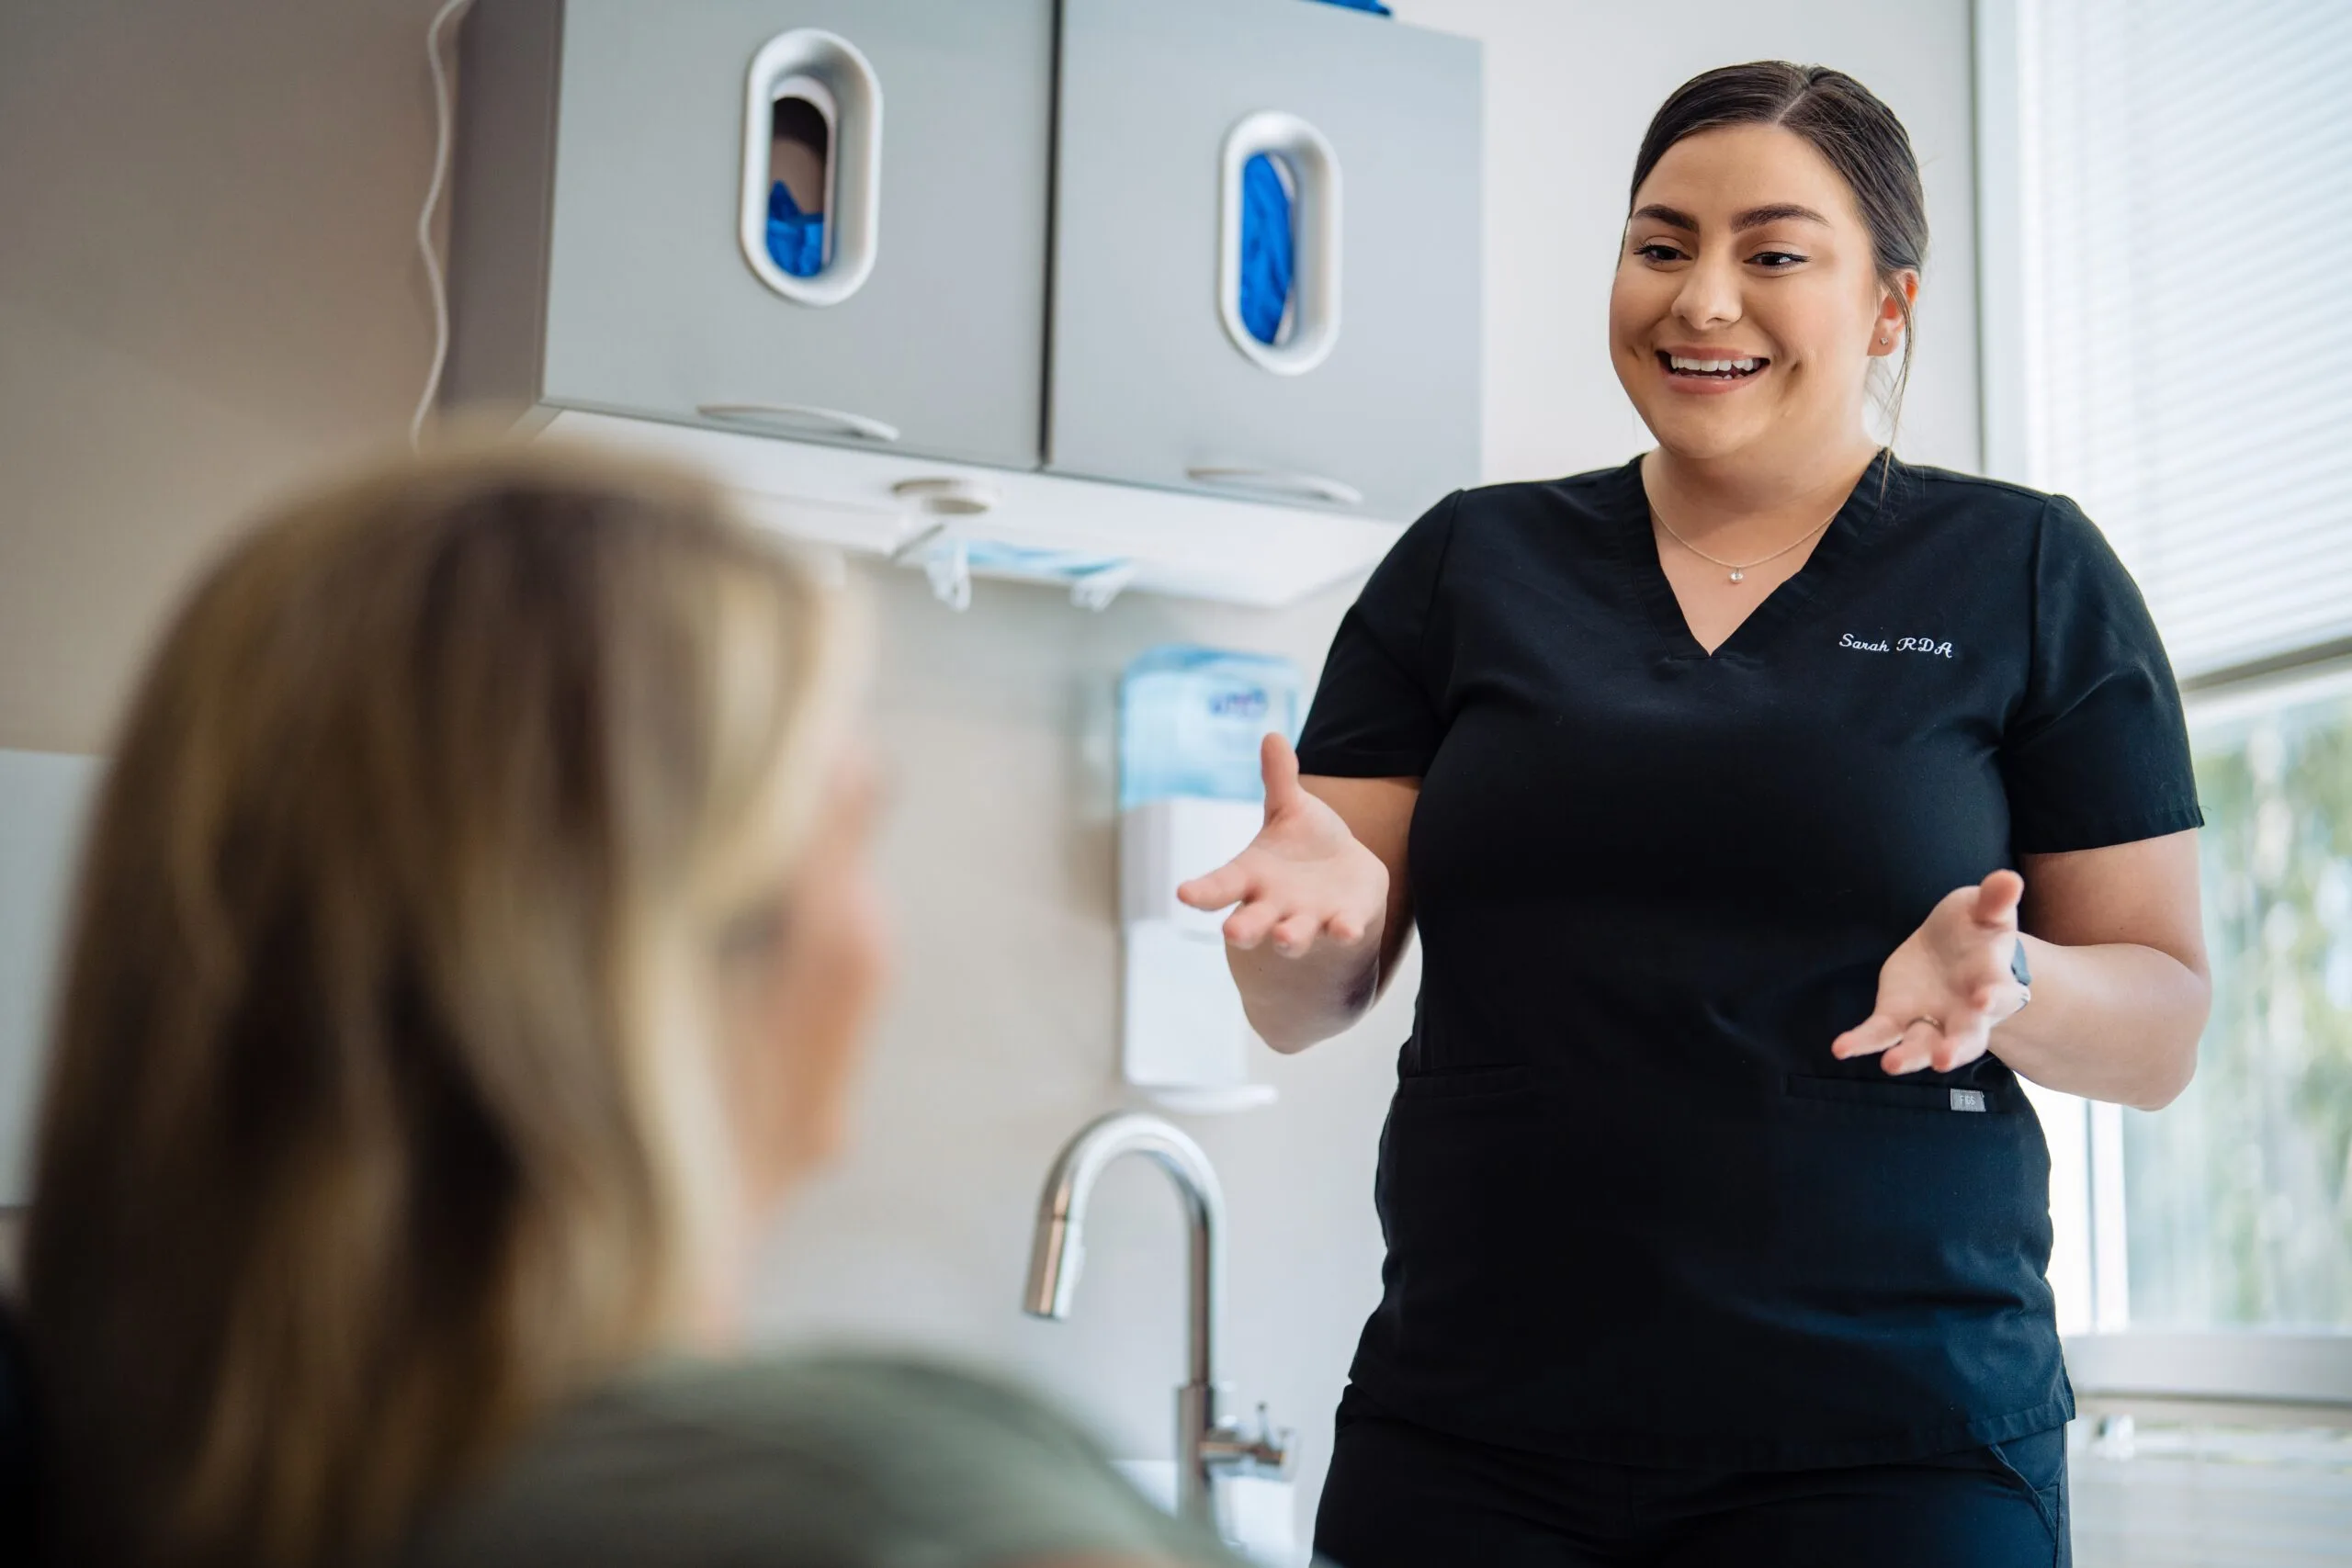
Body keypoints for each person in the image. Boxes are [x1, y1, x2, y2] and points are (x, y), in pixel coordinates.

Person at [1179, 61, 2210, 1568]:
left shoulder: (2029, 575)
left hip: (1891, 1446)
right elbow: (1303, 1003)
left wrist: (2017, 983)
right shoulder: (1470, 566)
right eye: (1660, 247)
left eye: (1773, 255)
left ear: (1889, 306)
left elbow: (2167, 1022)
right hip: (1474, 1439)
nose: (1701, 301)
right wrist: (1297, 922)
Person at [16, 445, 1245, 1568]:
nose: (880, 936)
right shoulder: (901, 1505)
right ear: (649, 967)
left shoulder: (93, 1467)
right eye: (853, 829)